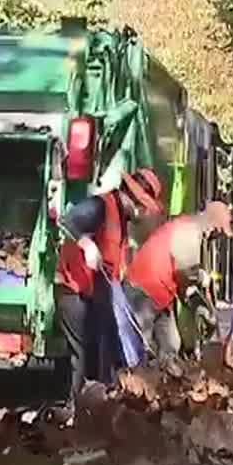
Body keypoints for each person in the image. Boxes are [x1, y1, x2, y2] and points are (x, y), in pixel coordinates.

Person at [55, 168, 166, 398]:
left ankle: (95, 409)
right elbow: (67, 221)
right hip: (74, 293)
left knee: (101, 357)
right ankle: (79, 413)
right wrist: (86, 244)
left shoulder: (122, 221)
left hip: (95, 295)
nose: (143, 214)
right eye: (143, 207)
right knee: (84, 358)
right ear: (133, 199)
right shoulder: (100, 206)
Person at [124, 199, 230, 361]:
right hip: (144, 290)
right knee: (139, 349)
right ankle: (133, 383)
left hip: (161, 294)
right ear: (213, 227)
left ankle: (165, 382)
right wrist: (201, 277)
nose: (215, 238)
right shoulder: (189, 231)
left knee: (171, 345)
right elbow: (184, 273)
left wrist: (201, 309)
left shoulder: (188, 228)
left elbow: (182, 283)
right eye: (218, 233)